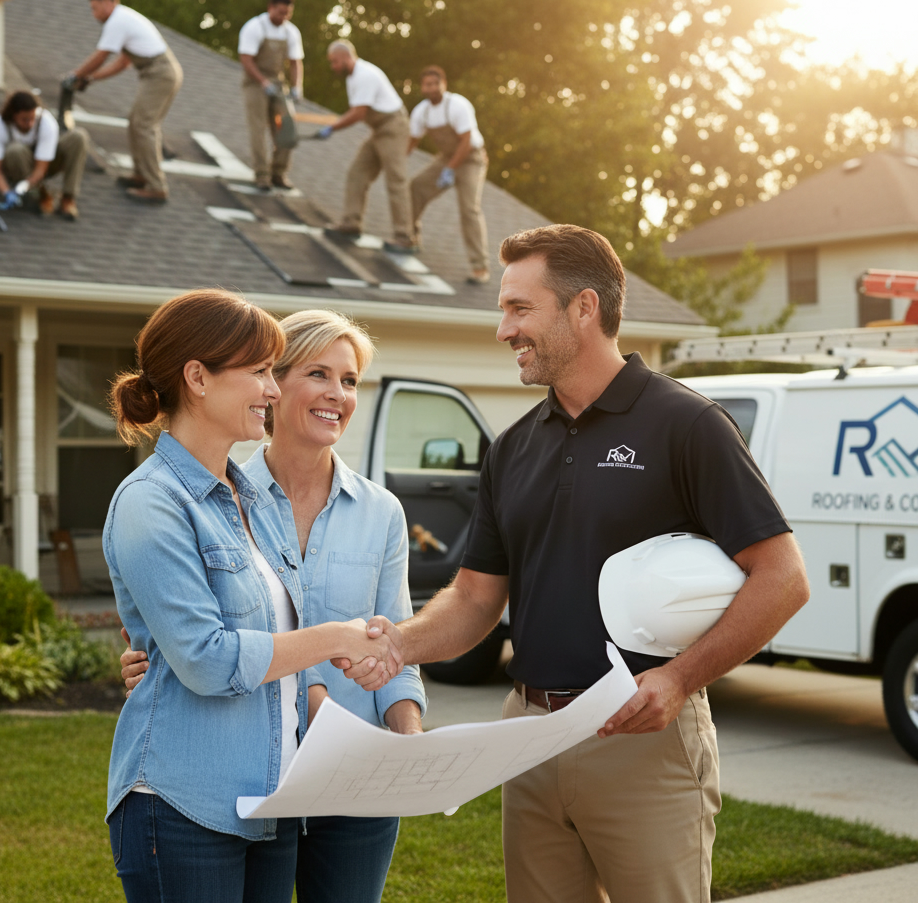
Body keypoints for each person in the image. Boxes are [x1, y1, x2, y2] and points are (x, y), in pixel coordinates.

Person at [343, 224, 811, 903]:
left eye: (519, 309)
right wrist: (400, 643)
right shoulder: (511, 448)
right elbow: (477, 596)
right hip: (527, 735)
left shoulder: (687, 425)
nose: (504, 330)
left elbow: (783, 576)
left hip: (640, 739)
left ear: (584, 308)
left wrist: (679, 680)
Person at [103, 289, 401, 903]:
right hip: (183, 805)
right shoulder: (150, 501)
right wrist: (337, 638)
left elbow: (270, 639)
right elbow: (208, 659)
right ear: (198, 378)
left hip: (268, 805)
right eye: (262, 372)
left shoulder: (250, 501)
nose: (272, 389)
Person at [68, 0, 183, 205]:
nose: (94, 15)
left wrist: (75, 75)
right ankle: (141, 175)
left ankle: (156, 186)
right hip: (160, 73)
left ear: (107, 2)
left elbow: (101, 56)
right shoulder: (125, 20)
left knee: (144, 126)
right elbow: (122, 62)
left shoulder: (117, 20)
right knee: (136, 123)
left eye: (95, 8)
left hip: (160, 73)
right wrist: (90, 79)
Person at [319, 41, 416, 254]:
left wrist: (332, 128)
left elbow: (358, 113)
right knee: (357, 173)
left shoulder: (365, 75)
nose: (333, 66)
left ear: (345, 57)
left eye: (334, 62)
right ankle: (351, 223)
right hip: (379, 130)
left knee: (396, 180)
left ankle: (405, 237)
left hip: (393, 127)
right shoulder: (352, 77)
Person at [408, 66, 490, 284]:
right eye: (428, 84)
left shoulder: (457, 105)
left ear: (444, 84)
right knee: (415, 186)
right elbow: (412, 141)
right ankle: (410, 238)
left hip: (471, 159)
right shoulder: (421, 112)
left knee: (469, 210)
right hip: (446, 158)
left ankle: (479, 267)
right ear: (422, 87)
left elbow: (465, 140)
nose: (432, 88)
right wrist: (395, 162)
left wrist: (450, 169)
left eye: (436, 84)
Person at [238, 0, 305, 192]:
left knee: (287, 127)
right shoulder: (254, 27)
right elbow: (246, 59)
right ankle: (262, 175)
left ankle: (279, 172)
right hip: (255, 82)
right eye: (280, 12)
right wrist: (263, 82)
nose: (283, 17)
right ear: (270, 8)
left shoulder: (291, 32)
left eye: (288, 13)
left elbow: (295, 62)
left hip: (277, 81)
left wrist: (296, 87)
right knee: (258, 129)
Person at [0, 90, 88, 219]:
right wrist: (6, 192)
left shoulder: (46, 122)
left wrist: (26, 185)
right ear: (12, 115)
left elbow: (41, 169)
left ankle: (67, 198)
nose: (30, 124)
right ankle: (40, 195)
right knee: (16, 150)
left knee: (78, 137)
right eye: (24, 119)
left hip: (42, 168)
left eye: (32, 118)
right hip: (14, 168)